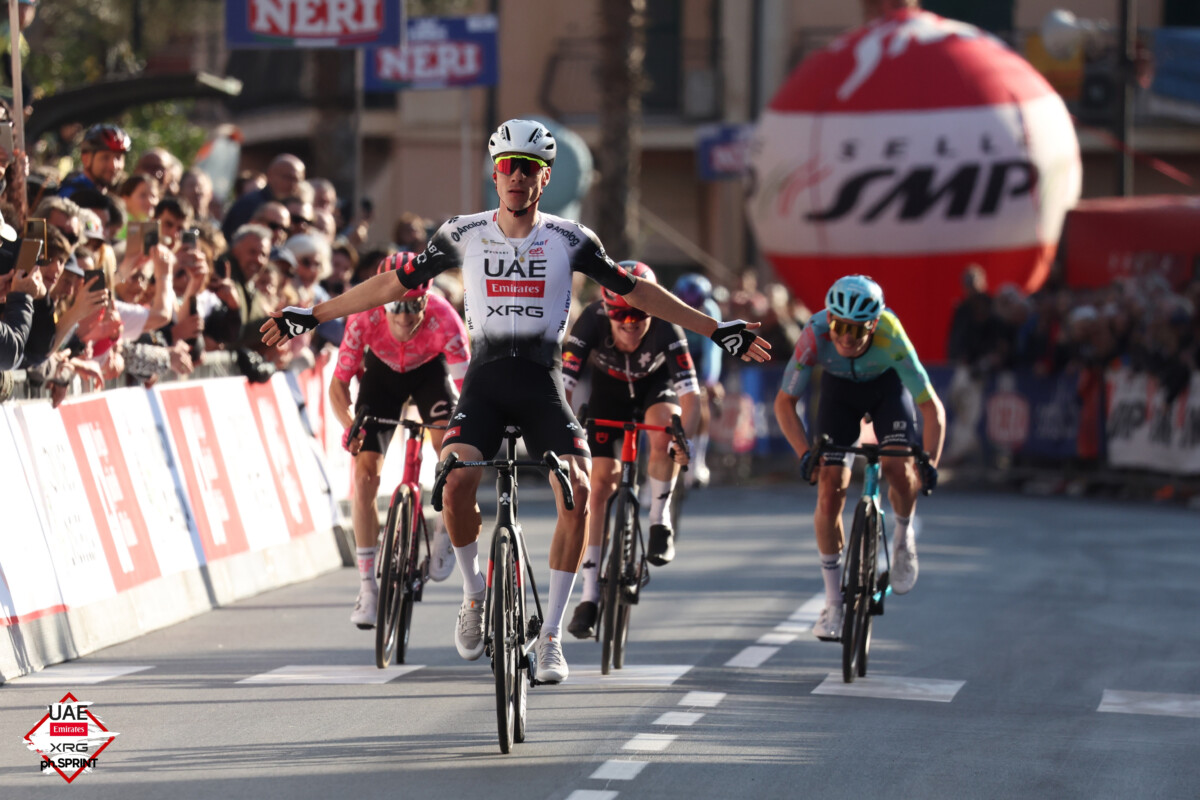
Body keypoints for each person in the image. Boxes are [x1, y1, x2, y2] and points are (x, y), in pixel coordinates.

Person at [261, 119, 771, 684]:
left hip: (541, 382)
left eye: (528, 169)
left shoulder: (572, 238)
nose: (517, 178)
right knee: (454, 484)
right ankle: (475, 596)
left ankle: (550, 636)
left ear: (544, 178)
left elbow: (635, 290)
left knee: (577, 492)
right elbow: (394, 285)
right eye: (508, 167)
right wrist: (315, 313)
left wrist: (715, 326)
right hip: (483, 382)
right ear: (495, 172)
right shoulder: (462, 232)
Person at [773, 275, 943, 640]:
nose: (846, 338)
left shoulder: (892, 336)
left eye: (857, 330)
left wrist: (929, 461)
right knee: (829, 487)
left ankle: (903, 537)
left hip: (887, 391)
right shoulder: (814, 333)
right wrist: (805, 453)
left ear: (874, 325)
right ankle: (833, 603)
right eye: (839, 326)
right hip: (839, 395)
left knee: (899, 467)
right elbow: (785, 402)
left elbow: (932, 409)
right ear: (829, 319)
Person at [330, 255, 470, 628]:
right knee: (364, 476)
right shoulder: (364, 317)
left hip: (429, 374)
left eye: (414, 305)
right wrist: (349, 426)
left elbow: (467, 393)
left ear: (428, 298)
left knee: (454, 458)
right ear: (382, 301)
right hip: (383, 376)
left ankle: (444, 526)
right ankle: (367, 587)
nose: (406, 316)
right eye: (396, 306)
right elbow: (338, 385)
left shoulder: (445, 320)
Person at [561, 261, 699, 639]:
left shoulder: (668, 326)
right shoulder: (589, 321)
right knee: (600, 483)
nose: (630, 322)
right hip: (608, 396)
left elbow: (691, 395)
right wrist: (564, 436)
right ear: (607, 309)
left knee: (664, 434)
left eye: (640, 313)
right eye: (620, 313)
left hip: (656, 389)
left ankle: (659, 518)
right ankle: (589, 597)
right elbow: (564, 388)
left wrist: (685, 440)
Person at [672, 272, 724, 487]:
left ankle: (698, 462)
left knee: (699, 396)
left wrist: (710, 381)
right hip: (674, 351)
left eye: (698, 306)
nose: (693, 312)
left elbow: (713, 351)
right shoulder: (668, 308)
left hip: (699, 355)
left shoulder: (712, 311)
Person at [222, 154, 305, 241]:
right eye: (287, 177)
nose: (292, 184)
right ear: (270, 174)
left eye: (297, 180)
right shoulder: (249, 204)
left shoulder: (294, 206)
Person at [59, 124, 131, 198]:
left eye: (118, 158)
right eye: (105, 157)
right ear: (85, 158)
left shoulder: (108, 194)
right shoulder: (71, 195)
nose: (114, 165)